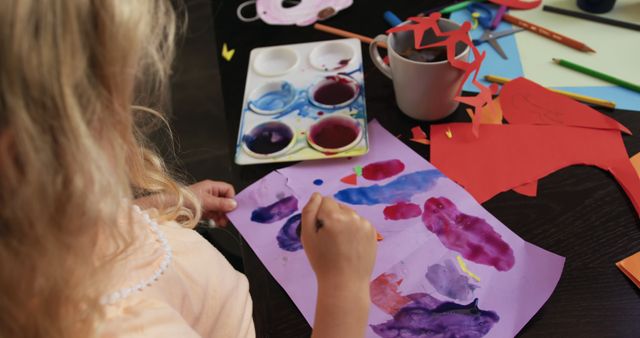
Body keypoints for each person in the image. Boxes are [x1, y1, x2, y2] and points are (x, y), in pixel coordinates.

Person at [0, 1, 377, 338]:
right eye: (110, 104)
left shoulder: (37, 226)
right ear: (27, 157)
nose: (126, 119)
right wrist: (344, 286)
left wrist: (164, 207)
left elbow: (96, 231)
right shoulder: (119, 327)